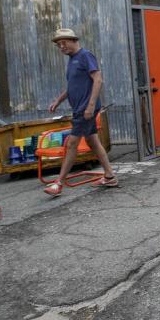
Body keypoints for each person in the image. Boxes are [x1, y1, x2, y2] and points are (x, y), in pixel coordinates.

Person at [43, 28, 117, 196]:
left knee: (71, 143)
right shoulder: (72, 60)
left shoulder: (85, 56)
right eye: (58, 44)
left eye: (64, 42)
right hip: (80, 109)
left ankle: (58, 183)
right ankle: (110, 176)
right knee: (93, 142)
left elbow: (98, 79)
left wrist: (91, 106)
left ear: (74, 40)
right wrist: (58, 100)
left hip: (85, 109)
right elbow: (72, 87)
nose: (61, 47)